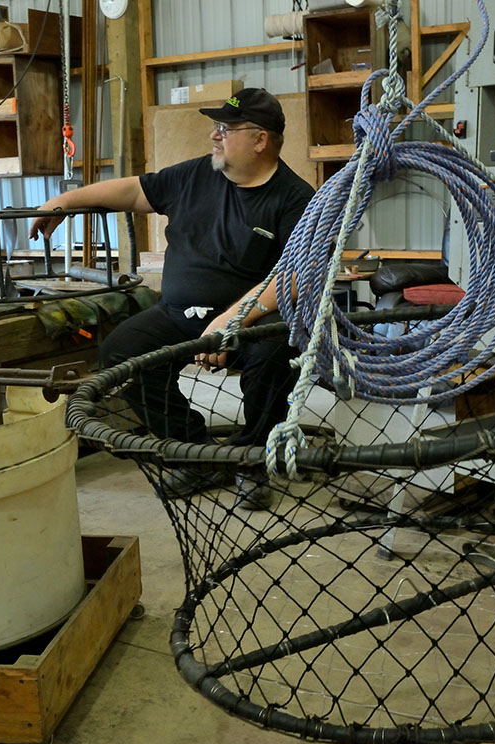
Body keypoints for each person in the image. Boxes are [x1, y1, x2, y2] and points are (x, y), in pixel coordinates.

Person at [29, 88, 315, 509]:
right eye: (216, 127)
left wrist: (229, 323)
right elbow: (132, 192)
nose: (215, 136)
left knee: (279, 351)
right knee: (123, 352)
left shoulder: (296, 199)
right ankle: (197, 454)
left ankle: (253, 460)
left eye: (227, 129)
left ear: (260, 140)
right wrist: (63, 203)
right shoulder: (197, 175)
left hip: (253, 323)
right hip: (180, 315)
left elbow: (293, 277)